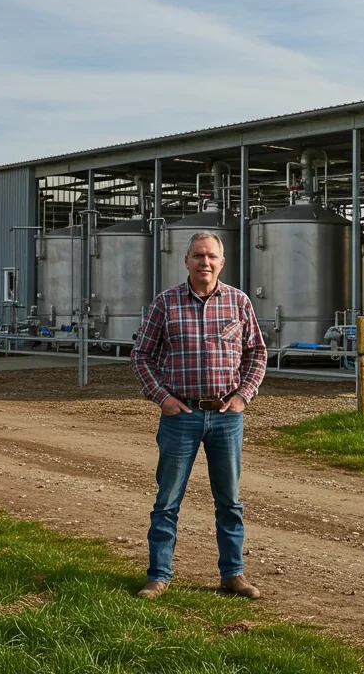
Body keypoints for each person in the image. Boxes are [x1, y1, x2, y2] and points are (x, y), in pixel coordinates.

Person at [130, 232, 267, 600]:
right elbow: (141, 355)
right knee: (167, 501)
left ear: (222, 263)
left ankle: (232, 575)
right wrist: (162, 398)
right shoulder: (166, 303)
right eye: (197, 256)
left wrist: (243, 396)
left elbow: (257, 353)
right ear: (186, 261)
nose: (204, 262)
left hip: (226, 416)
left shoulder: (238, 302)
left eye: (211, 257)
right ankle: (159, 576)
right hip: (181, 415)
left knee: (230, 501)